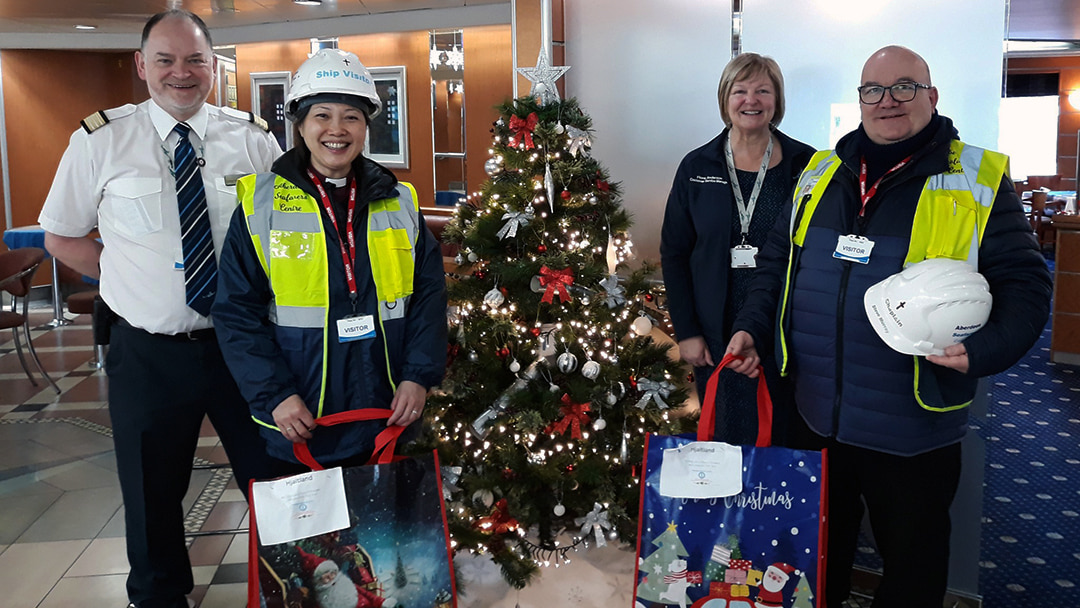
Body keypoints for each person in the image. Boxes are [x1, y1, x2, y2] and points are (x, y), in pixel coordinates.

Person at [725, 46, 1052, 608]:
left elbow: (1026, 284)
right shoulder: (822, 171)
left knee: (913, 562)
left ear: (931, 95)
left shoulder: (975, 179)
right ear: (859, 100)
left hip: (911, 422)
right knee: (814, 551)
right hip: (813, 412)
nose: (887, 101)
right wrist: (753, 326)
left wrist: (983, 350)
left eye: (904, 87)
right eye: (872, 90)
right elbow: (777, 263)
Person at [38, 10, 283, 608]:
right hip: (148, 351)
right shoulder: (100, 140)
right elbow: (62, 235)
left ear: (214, 68)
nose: (182, 72)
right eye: (167, 60)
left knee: (276, 478)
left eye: (196, 59)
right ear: (141, 65)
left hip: (243, 348)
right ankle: (158, 598)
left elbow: (284, 234)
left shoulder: (251, 139)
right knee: (152, 493)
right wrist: (123, 273)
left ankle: (293, 588)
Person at [211, 48, 447, 471]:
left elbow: (429, 298)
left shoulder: (400, 202)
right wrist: (275, 396)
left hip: (388, 411)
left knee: (385, 532)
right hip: (300, 419)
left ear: (365, 127)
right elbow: (236, 313)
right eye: (322, 115)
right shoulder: (260, 206)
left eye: (351, 117)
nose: (336, 130)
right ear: (300, 125)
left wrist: (417, 376)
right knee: (313, 538)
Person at [660, 53, 814, 444]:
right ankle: (731, 505)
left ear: (776, 100)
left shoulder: (806, 165)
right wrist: (687, 332)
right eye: (740, 90)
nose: (752, 100)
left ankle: (774, 503)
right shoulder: (696, 166)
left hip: (786, 324)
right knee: (727, 428)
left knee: (785, 428)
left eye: (763, 90)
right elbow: (675, 253)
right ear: (725, 98)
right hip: (716, 328)